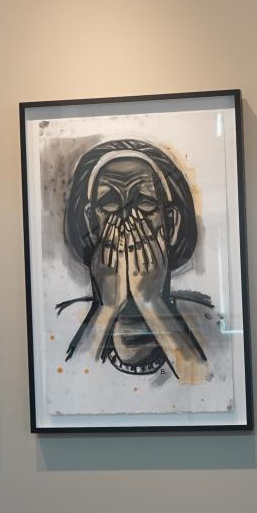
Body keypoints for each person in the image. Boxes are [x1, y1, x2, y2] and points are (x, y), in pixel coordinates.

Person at [57, 138, 215, 383]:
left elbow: (207, 386)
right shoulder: (64, 318)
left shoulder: (207, 320)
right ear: (90, 222)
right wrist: (107, 307)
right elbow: (68, 386)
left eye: (144, 202)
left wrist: (152, 302)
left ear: (170, 223)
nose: (126, 218)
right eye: (110, 203)